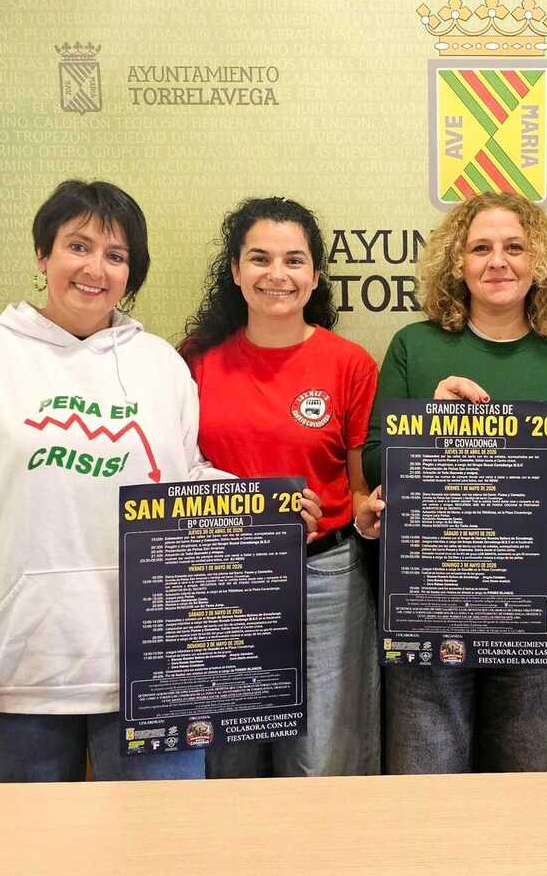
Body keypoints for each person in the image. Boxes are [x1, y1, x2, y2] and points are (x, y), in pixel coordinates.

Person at [0, 179, 305, 782]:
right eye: (77, 247)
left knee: (161, 838)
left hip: (156, 669)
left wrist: (266, 511)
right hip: (16, 676)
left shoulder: (159, 364)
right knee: (32, 841)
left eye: (115, 255)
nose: (95, 269)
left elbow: (184, 480)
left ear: (130, 273)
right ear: (43, 256)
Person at [358, 191, 547, 774]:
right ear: (457, 262)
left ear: (538, 260)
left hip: (532, 603)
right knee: (427, 786)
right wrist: (433, 421)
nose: (498, 261)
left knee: (531, 785)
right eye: (480, 248)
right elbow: (375, 462)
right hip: (427, 599)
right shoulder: (414, 347)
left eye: (514, 247)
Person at [181, 196, 379, 778]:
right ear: (235, 270)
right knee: (227, 760)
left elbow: (359, 488)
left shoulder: (350, 364)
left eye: (294, 260)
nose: (277, 274)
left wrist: (369, 515)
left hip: (326, 577)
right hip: (220, 577)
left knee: (321, 761)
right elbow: (172, 474)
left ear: (315, 276)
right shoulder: (194, 363)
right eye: (260, 258)